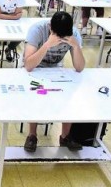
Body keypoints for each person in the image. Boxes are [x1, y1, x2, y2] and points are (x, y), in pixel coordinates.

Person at [23, 11, 85, 153]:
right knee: (35, 96)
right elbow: (28, 65)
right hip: (35, 70)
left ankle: (65, 136)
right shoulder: (37, 30)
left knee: (70, 95)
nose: (61, 39)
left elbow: (79, 67)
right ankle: (32, 135)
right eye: (59, 36)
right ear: (50, 27)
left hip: (57, 71)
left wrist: (75, 46)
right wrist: (47, 45)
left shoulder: (73, 34)